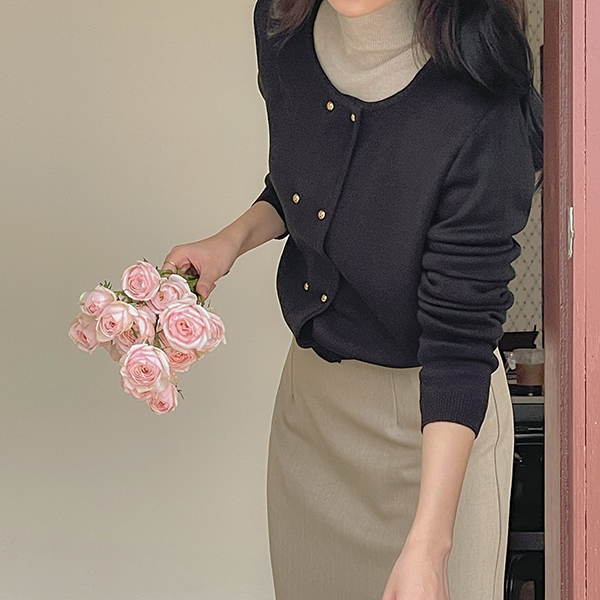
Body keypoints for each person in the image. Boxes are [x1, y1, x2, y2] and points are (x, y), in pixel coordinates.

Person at [162, 0, 543, 598]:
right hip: (314, 419)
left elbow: (459, 345)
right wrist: (228, 242)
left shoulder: (482, 99)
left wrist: (430, 545)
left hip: (439, 438)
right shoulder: (283, 28)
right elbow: (304, 181)